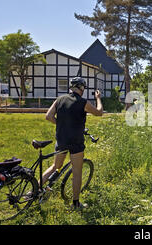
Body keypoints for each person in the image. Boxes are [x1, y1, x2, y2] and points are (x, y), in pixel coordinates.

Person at [44, 77, 103, 210]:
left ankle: (32, 192)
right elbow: (99, 113)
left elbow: (48, 116)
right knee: (77, 172)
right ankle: (76, 204)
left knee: (54, 167)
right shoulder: (83, 102)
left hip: (61, 139)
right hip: (76, 142)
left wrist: (61, 124)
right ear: (81, 88)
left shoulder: (59, 99)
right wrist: (98, 98)